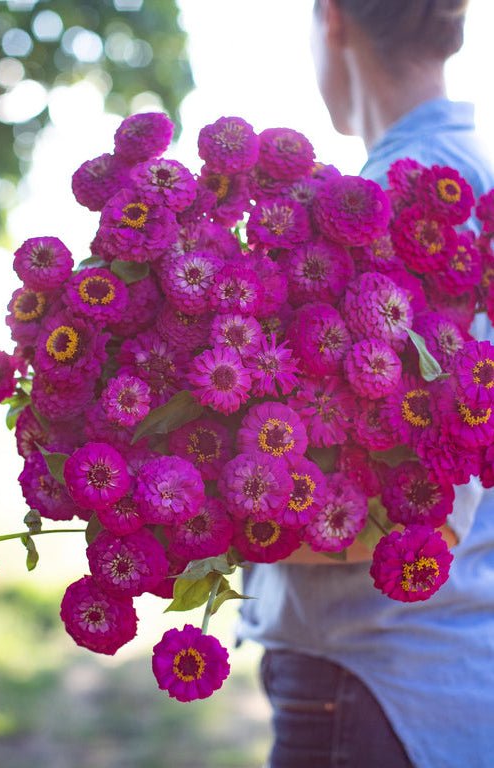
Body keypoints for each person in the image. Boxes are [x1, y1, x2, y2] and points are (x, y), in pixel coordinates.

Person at [237, 2, 494, 767]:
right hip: (447, 678)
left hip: (373, 690)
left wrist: (203, 510)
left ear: (332, 17)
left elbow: (428, 513)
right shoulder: (469, 174)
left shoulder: (410, 201)